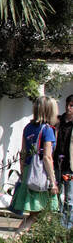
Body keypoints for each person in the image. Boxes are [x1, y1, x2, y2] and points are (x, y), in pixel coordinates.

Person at [10, 96, 60, 229]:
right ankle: (16, 240)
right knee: (38, 214)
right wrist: (53, 182)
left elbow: (23, 152)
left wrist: (23, 173)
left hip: (29, 172)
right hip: (42, 175)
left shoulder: (28, 127)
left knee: (38, 213)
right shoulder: (48, 130)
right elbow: (47, 157)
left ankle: (31, 242)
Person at [54, 94, 73, 230]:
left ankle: (67, 227)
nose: (68, 108)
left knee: (69, 197)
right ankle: (57, 225)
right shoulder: (59, 122)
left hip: (70, 166)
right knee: (57, 195)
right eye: (67, 104)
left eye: (71, 105)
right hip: (57, 164)